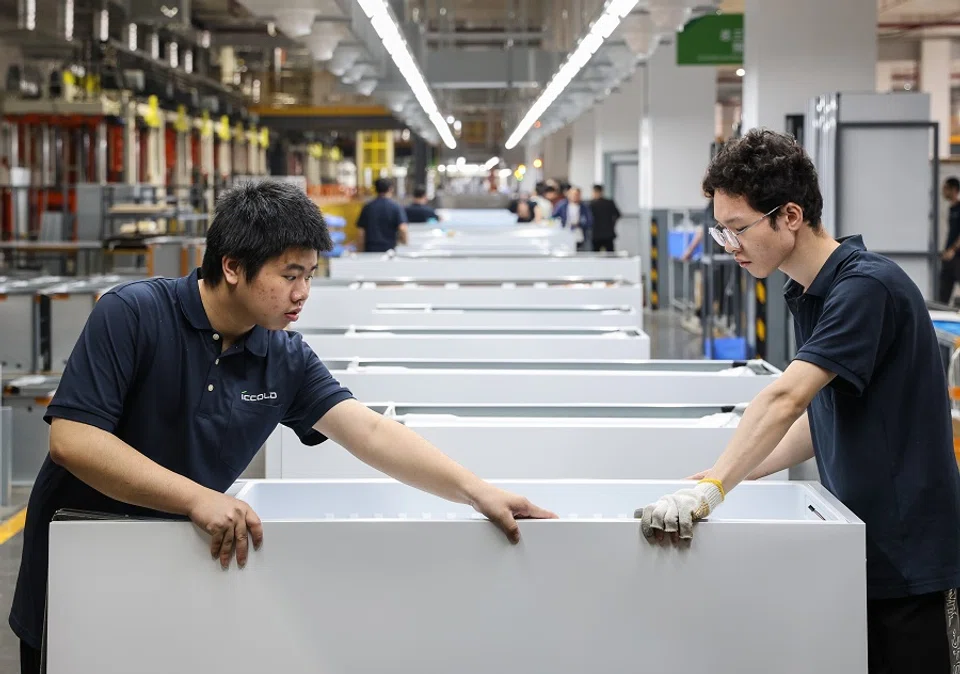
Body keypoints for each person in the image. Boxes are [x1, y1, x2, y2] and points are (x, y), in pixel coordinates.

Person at [10, 181, 557, 674]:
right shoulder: (133, 315)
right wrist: (197, 498)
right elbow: (73, 440)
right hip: (80, 567)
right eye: (289, 275)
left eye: (310, 276)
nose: (303, 293)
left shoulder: (283, 356)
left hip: (177, 569)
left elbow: (367, 432)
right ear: (231, 266)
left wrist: (476, 491)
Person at [637, 129, 960, 674]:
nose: (730, 246)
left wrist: (717, 486)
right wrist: (736, 473)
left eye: (738, 229)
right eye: (721, 233)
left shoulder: (865, 287)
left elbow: (787, 397)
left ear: (790, 215)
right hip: (856, 540)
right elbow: (823, 415)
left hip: (910, 555)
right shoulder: (811, 292)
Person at [356, 177, 408, 252]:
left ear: (376, 189)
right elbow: (403, 229)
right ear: (390, 189)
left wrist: (360, 250)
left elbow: (361, 233)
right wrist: (405, 243)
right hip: (389, 250)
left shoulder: (367, 208)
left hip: (370, 250)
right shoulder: (396, 207)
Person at [938, 176, 960, 304]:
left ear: (954, 189)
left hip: (957, 257)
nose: (943, 191)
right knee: (943, 293)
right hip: (949, 257)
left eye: (946, 188)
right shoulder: (951, 209)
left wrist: (952, 250)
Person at [553, 186, 594, 251]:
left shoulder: (584, 207)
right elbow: (554, 217)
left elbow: (589, 221)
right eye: (572, 194)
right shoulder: (562, 205)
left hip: (579, 234)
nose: (574, 196)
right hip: (564, 232)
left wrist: (580, 223)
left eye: (576, 195)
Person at [588, 184, 621, 252]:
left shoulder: (591, 204)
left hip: (596, 233)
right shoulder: (609, 203)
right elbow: (617, 214)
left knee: (595, 255)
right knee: (610, 254)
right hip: (608, 233)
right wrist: (612, 224)